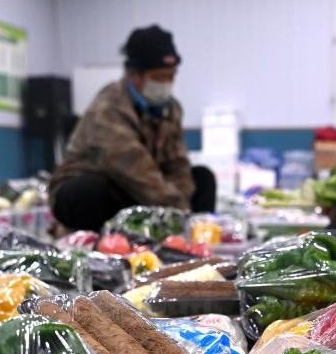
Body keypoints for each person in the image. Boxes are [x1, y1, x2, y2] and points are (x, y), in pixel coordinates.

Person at [49, 25, 216, 231]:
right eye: (158, 78)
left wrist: (185, 207)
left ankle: (201, 236)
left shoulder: (171, 109)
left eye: (171, 76)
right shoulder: (107, 109)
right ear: (134, 74)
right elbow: (135, 169)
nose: (166, 84)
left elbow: (177, 164)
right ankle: (100, 242)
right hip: (107, 188)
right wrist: (178, 211)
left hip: (143, 191)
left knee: (202, 177)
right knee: (87, 191)